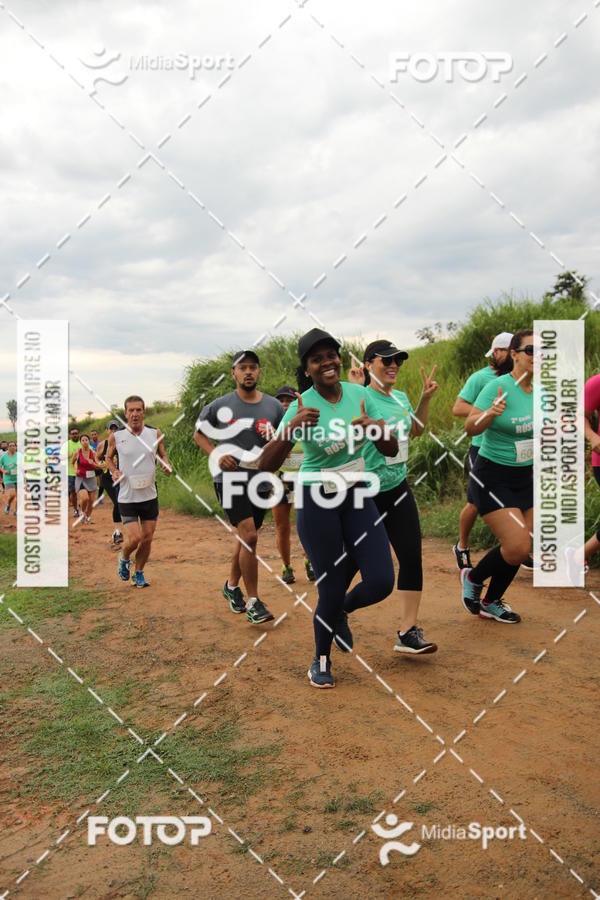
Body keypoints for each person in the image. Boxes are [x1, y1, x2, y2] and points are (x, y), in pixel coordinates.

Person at [259, 328, 397, 688]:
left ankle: (340, 613)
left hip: (356, 495)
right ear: (307, 369)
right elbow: (264, 464)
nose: (327, 363)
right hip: (316, 499)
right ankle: (320, 659)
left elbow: (391, 449)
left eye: (331, 355)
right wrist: (291, 430)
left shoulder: (360, 394)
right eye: (316, 359)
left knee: (382, 580)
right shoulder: (300, 406)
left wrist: (376, 430)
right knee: (330, 586)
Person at [346, 339, 439, 654]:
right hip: (367, 491)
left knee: (412, 556)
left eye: (397, 360)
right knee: (355, 563)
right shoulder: (361, 397)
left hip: (398, 487)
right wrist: (355, 389)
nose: (393, 365)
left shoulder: (400, 397)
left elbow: (417, 430)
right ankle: (337, 610)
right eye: (386, 361)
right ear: (368, 364)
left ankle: (408, 631)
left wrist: (424, 398)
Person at [195, 350, 284, 624]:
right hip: (230, 478)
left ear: (259, 372)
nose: (248, 372)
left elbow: (283, 440)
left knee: (248, 537)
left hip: (260, 478)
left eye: (253, 368)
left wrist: (275, 440)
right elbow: (199, 433)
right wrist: (216, 455)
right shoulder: (219, 405)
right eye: (242, 367)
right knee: (250, 536)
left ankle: (231, 586)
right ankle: (254, 602)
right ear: (233, 373)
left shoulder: (274, 407)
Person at [460, 329, 535, 623]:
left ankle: (491, 601)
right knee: (517, 546)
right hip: (492, 476)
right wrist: (490, 413)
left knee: (522, 546)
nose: (537, 356)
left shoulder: (540, 390)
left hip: (524, 476)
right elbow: (470, 427)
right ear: (514, 354)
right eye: (530, 350)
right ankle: (474, 578)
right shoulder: (498, 387)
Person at [451, 332, 513, 569]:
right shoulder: (481, 378)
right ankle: (462, 545)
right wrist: (487, 411)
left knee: (517, 502)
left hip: (512, 452)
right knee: (475, 503)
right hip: (482, 449)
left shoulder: (523, 379)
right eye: (500, 351)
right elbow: (458, 408)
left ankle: (515, 547)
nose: (500, 355)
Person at [106, 396, 171, 587]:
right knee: (134, 539)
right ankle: (124, 557)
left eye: (138, 410)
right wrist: (114, 470)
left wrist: (166, 465)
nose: (135, 414)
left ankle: (139, 572)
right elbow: (109, 458)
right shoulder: (116, 437)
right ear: (125, 413)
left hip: (149, 495)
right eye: (131, 410)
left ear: (144, 412)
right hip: (127, 496)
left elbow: (163, 455)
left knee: (148, 538)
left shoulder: (155, 433)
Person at [271, 384, 315, 585]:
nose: (285, 403)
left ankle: (309, 561)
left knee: (306, 524)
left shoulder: (305, 419)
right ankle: (286, 566)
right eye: (281, 400)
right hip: (281, 479)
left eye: (289, 399)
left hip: (303, 478)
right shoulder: (271, 424)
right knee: (282, 526)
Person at [96, 421, 123, 544]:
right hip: (107, 478)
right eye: (111, 429)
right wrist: (99, 464)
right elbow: (97, 457)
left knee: (123, 503)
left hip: (120, 477)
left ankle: (124, 530)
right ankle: (117, 532)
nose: (113, 431)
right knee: (117, 502)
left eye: (115, 429)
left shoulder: (123, 443)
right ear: (107, 430)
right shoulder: (103, 444)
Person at [71, 434, 100, 524]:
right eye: (82, 440)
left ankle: (87, 517)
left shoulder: (93, 453)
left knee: (91, 502)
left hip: (91, 479)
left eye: (86, 440)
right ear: (80, 442)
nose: (84, 442)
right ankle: (81, 512)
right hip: (81, 479)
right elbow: (72, 463)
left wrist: (93, 464)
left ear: (89, 441)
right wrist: (75, 470)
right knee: (85, 498)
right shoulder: (77, 453)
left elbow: (99, 466)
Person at [61, 426, 82, 517]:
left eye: (76, 433)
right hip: (70, 472)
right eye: (73, 434)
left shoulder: (82, 442)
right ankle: (75, 509)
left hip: (82, 472)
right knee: (73, 492)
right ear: (70, 435)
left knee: (82, 492)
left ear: (79, 434)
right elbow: (61, 457)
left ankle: (82, 509)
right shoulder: (66, 445)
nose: (75, 435)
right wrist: (71, 455)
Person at [1, 441, 20, 516]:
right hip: (8, 478)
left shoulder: (20, 455)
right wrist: (3, 470)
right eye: (10, 445)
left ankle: (16, 510)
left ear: (15, 447)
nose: (12, 447)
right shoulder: (4, 456)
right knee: (12, 494)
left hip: (18, 478)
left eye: (13, 445)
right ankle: (8, 504)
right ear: (8, 447)